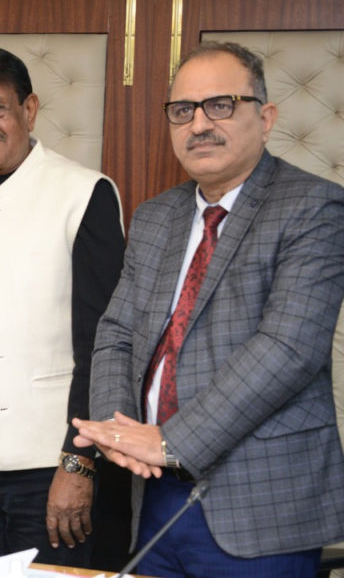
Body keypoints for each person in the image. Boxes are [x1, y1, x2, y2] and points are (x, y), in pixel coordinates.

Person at [73, 41, 344, 576]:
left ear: (265, 117)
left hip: (259, 505)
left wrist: (170, 441)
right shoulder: (156, 217)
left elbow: (288, 348)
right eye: (183, 110)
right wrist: (116, 428)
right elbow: (117, 333)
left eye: (220, 105)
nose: (199, 124)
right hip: (151, 490)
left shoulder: (314, 206)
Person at [0, 47, 125, 566]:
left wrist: (79, 461)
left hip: (46, 457)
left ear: (29, 109)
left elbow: (105, 345)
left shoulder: (83, 193)